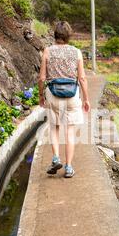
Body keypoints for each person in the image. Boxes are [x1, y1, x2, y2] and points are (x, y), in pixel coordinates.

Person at [38, 21, 91, 178]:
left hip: (53, 94)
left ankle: (55, 158)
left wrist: (41, 95)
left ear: (55, 35)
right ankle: (68, 167)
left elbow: (41, 78)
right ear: (69, 36)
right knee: (69, 131)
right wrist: (86, 99)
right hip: (72, 95)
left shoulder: (47, 51)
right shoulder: (76, 52)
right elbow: (82, 78)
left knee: (54, 127)